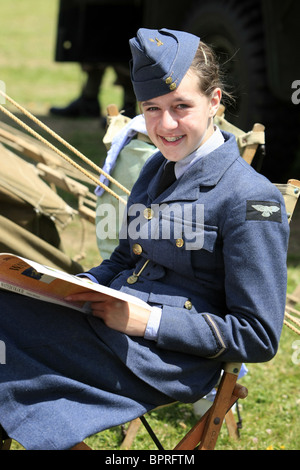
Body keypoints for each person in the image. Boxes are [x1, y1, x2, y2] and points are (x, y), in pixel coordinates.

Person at [0, 28, 290, 450]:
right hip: (106, 329)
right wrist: (72, 288)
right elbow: (122, 261)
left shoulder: (250, 198)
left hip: (162, 360)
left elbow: (257, 335)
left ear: (215, 102)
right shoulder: (156, 168)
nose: (165, 125)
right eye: (152, 109)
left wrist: (147, 321)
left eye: (181, 107)